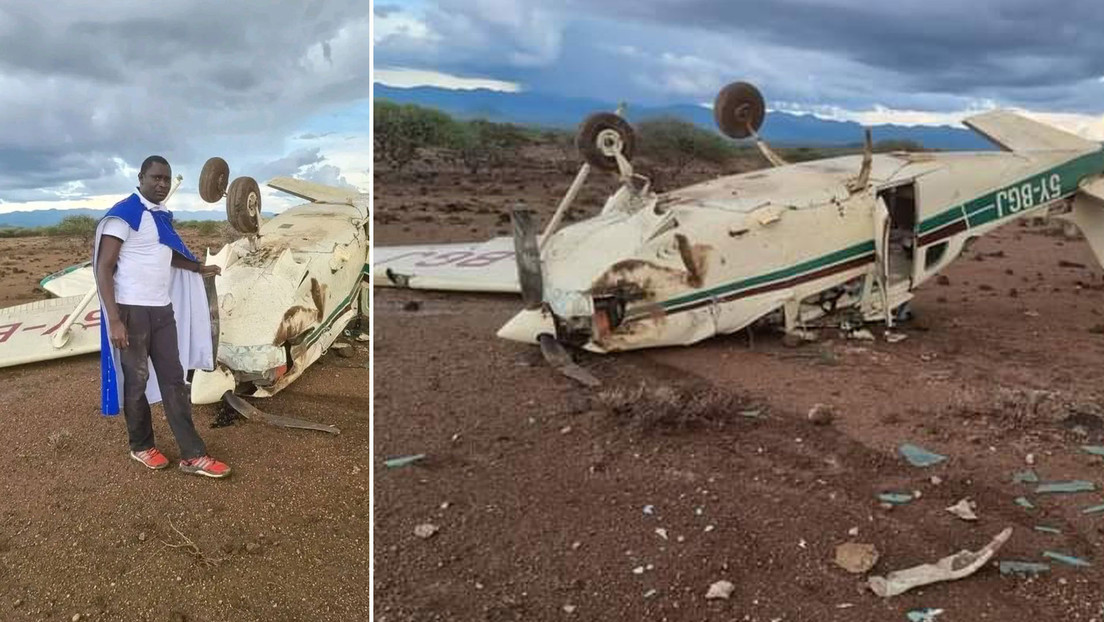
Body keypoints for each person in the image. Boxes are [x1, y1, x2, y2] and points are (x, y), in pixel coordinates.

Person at [93, 155, 231, 478]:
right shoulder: (124, 216)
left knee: (174, 380)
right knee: (136, 382)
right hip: (131, 313)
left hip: (161, 310)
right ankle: (141, 446)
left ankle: (193, 455)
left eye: (166, 179)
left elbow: (168, 254)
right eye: (156, 178)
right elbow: (103, 267)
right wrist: (114, 319)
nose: (162, 184)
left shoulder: (160, 218)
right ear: (140, 177)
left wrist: (199, 267)